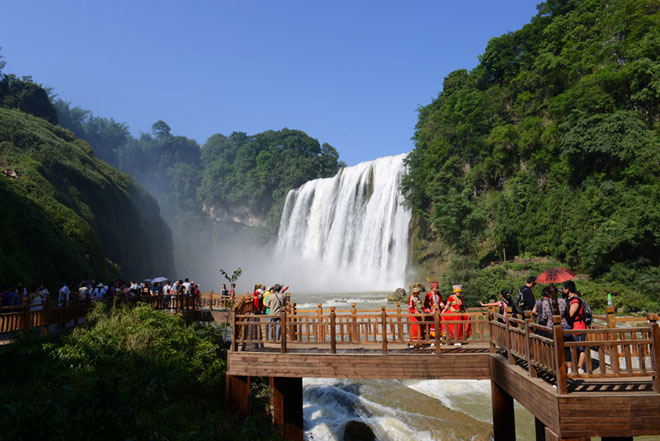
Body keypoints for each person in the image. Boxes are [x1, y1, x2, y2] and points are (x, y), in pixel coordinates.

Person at [566, 282, 587, 374]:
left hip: (578, 326)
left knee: (581, 348)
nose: (562, 290)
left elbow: (570, 314)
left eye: (564, 288)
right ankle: (576, 367)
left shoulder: (575, 300)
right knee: (575, 348)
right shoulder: (570, 299)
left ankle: (580, 368)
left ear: (568, 289)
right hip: (574, 326)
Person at [407, 283, 425, 348]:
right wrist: (415, 311)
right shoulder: (411, 298)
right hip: (413, 316)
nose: (419, 292)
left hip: (418, 315)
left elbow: (420, 306)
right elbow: (410, 307)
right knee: (414, 329)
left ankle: (419, 342)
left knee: (419, 328)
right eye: (418, 291)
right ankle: (412, 343)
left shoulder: (417, 297)